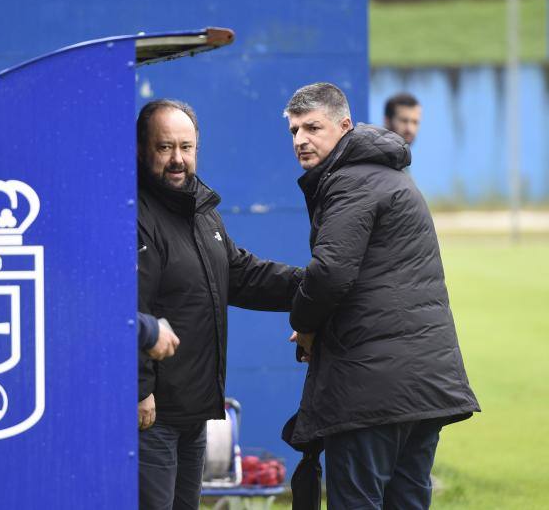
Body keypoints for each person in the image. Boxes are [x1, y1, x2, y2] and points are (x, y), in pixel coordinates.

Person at [283, 82, 479, 509]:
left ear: (345, 126)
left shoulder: (350, 181)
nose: (300, 140)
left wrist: (304, 325)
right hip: (424, 384)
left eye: (312, 127)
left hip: (371, 390)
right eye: (294, 130)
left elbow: (331, 273)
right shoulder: (386, 176)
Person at [137, 99, 302, 509]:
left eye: (186, 147)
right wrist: (139, 391)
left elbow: (240, 275)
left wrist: (315, 286)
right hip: (151, 415)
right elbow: (125, 310)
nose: (178, 159)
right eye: (165, 147)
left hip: (195, 411)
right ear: (142, 150)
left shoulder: (201, 210)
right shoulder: (134, 215)